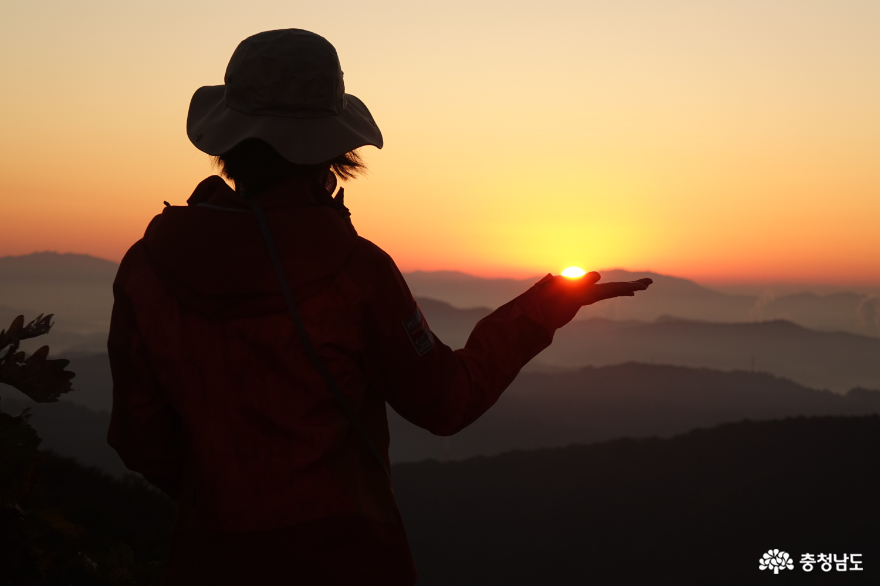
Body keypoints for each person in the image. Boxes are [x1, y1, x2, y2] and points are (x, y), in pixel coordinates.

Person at [107, 29, 652, 585]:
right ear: (333, 151)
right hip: (347, 562)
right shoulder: (354, 275)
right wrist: (545, 307)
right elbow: (447, 401)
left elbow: (138, 436)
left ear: (229, 143)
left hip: (208, 562)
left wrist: (231, 499)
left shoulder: (147, 269)